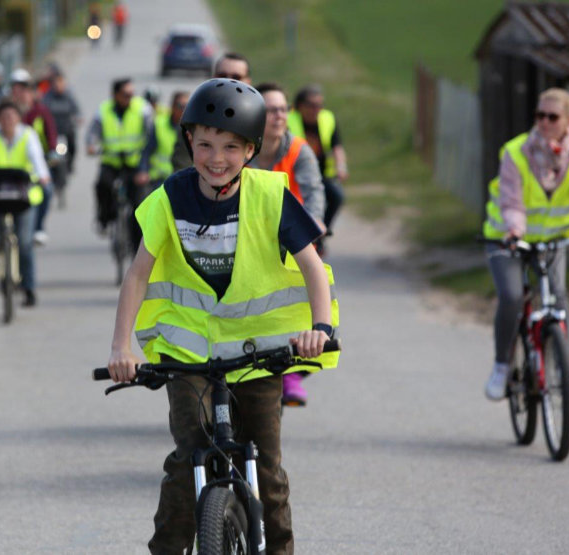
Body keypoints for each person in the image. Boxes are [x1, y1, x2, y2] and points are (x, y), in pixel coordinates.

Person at [106, 78, 339, 554]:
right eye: (206, 143)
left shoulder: (272, 195)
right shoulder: (171, 195)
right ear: (189, 140)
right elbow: (137, 275)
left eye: (231, 147)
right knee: (187, 460)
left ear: (251, 149)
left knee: (267, 470)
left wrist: (321, 328)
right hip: (188, 353)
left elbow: (312, 264)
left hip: (260, 353)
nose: (216, 158)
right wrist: (120, 348)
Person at [483, 88, 569, 399]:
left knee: (558, 298)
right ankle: (502, 366)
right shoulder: (516, 152)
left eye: (552, 117)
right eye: (539, 115)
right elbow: (511, 201)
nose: (544, 122)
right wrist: (515, 231)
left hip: (552, 241)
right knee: (511, 296)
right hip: (506, 238)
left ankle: (563, 366)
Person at [249, 82, 327, 408]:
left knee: (310, 303)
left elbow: (313, 190)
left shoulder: (297, 149)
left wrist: (315, 222)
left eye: (282, 109)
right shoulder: (243, 149)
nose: (278, 116)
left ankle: (291, 372)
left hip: (293, 238)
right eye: (270, 110)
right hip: (251, 238)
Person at [0, 101, 50, 308]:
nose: (8, 121)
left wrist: (43, 176)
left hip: (23, 197)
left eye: (12, 116)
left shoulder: (28, 135)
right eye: (3, 117)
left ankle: (28, 288)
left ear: (19, 118)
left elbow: (37, 159)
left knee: (25, 244)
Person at [85, 77, 153, 251]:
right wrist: (91, 146)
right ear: (115, 95)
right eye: (125, 94)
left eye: (132, 94)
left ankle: (137, 245)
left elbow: (151, 133)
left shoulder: (142, 109)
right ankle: (104, 218)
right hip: (112, 162)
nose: (129, 97)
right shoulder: (104, 110)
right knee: (102, 185)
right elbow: (92, 132)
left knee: (138, 203)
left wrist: (147, 156)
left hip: (134, 163)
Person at [171, 52, 253, 173]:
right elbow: (182, 165)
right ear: (213, 77)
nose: (229, 81)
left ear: (248, 81)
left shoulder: (260, 117)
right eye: (222, 75)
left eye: (236, 77)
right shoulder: (194, 115)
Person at [288, 85, 348, 241]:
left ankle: (320, 236)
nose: (316, 109)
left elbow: (337, 146)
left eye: (320, 105)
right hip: (295, 174)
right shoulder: (289, 120)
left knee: (337, 196)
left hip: (321, 174)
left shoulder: (327, 118)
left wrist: (341, 166)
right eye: (311, 105)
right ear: (300, 106)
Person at [9, 68, 58, 246]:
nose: (20, 94)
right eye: (16, 89)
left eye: (24, 89)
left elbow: (51, 137)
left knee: (47, 190)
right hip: (6, 168)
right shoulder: (3, 111)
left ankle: (38, 227)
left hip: (33, 167)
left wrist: (52, 154)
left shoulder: (41, 112)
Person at [143, 91, 189, 192]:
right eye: (180, 106)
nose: (183, 109)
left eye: (187, 106)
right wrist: (143, 171)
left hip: (185, 180)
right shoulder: (159, 124)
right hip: (160, 179)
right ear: (172, 107)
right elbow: (147, 150)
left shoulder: (194, 128)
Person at [42, 67, 82, 175]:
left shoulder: (69, 96)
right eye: (55, 83)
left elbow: (77, 110)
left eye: (60, 83)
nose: (58, 86)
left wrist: (79, 118)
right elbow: (43, 110)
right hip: (53, 130)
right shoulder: (48, 97)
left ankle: (70, 164)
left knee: (73, 145)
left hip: (67, 129)